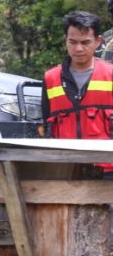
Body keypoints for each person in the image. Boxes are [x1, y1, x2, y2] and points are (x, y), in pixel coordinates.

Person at [42, 11, 113, 171]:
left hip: (108, 173)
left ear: (98, 41)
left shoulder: (111, 75)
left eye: (85, 42)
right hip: (64, 173)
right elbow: (45, 126)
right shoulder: (50, 79)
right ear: (65, 40)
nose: (78, 48)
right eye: (72, 42)